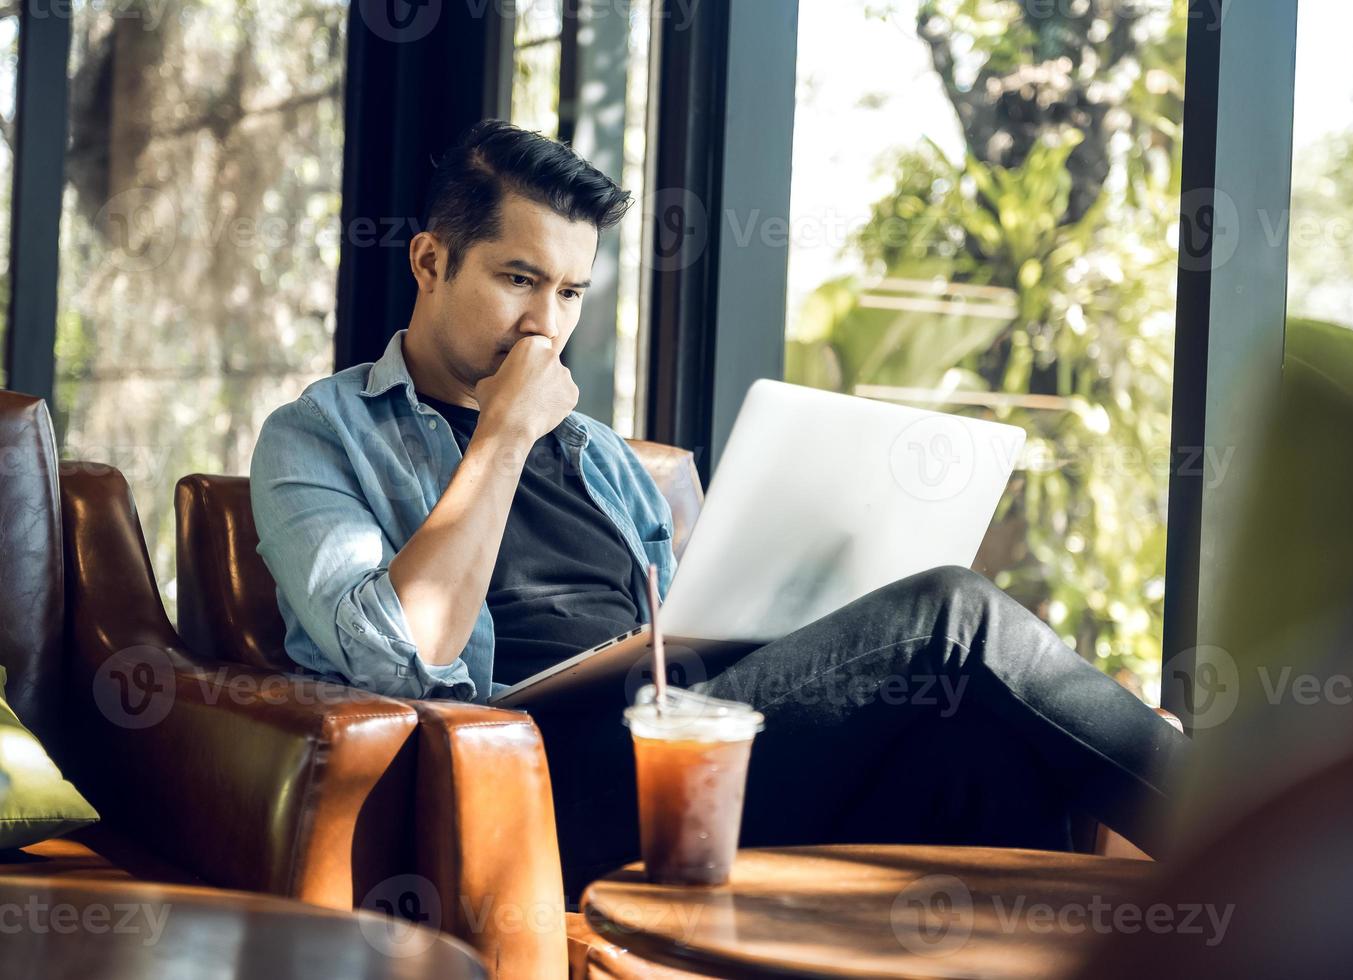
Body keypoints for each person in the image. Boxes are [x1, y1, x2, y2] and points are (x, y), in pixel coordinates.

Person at [250, 119, 1188, 901]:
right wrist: (502, 436)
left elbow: (693, 625)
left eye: (570, 291)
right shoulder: (318, 436)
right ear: (429, 260)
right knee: (955, 613)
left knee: (980, 747)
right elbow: (401, 654)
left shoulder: (602, 457)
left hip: (686, 744)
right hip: (524, 786)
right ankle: (1253, 834)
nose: (547, 323)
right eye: (519, 279)